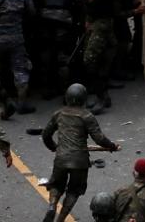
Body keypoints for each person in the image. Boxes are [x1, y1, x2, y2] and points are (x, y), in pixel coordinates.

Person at [39, 83, 119, 222]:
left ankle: (52, 206)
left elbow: (46, 135)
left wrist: (54, 147)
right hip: (79, 161)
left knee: (56, 185)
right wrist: (111, 146)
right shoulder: (87, 116)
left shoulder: (59, 114)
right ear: (84, 99)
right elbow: (99, 138)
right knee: (74, 191)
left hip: (61, 158)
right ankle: (61, 218)